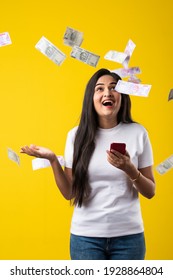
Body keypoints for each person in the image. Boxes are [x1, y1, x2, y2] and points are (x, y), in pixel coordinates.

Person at [20, 68, 155, 260]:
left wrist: (130, 169)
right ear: (91, 98)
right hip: (86, 238)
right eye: (99, 89)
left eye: (113, 88)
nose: (107, 93)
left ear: (123, 97)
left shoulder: (138, 133)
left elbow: (150, 191)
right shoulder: (76, 136)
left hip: (129, 238)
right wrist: (52, 160)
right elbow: (70, 193)